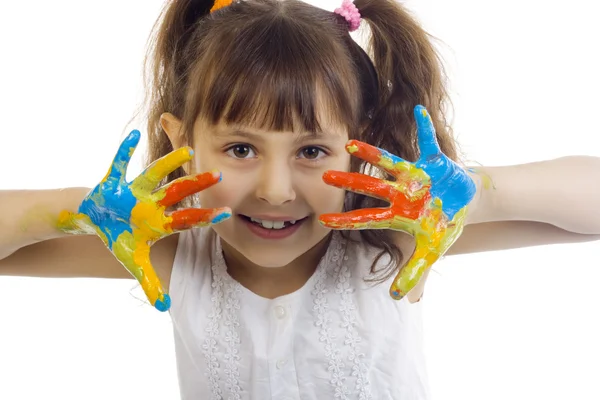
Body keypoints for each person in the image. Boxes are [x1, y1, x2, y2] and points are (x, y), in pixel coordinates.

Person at [1, 0, 599, 398]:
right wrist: (81, 213)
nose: (275, 190)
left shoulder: (391, 243)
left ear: (359, 148)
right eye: (240, 149)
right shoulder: (172, 253)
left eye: (312, 151)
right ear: (182, 143)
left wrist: (477, 197)